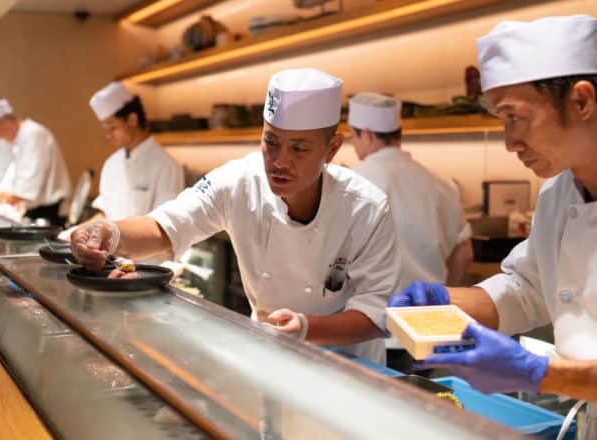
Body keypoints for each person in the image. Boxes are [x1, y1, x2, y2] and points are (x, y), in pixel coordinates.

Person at [71, 68, 401, 364]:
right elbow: (167, 225)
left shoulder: (367, 208)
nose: (279, 161)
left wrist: (306, 329)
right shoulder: (238, 181)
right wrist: (108, 233)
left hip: (350, 370)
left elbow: (375, 314)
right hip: (271, 355)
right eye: (270, 142)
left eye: (299, 148)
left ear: (331, 149)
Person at [387, 15, 597, 436]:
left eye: (515, 117)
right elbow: (526, 289)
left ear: (581, 101)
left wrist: (538, 374)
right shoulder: (559, 193)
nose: (509, 142)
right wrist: (445, 301)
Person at [348, 92, 473, 287]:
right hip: (429, 310)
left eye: (352, 136)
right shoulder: (443, 184)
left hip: (369, 311)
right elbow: (464, 254)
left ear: (366, 135)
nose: (353, 143)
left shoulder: (350, 183)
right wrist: (443, 295)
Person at [89, 82, 185, 222]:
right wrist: (76, 232)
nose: (108, 135)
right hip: (112, 242)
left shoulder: (166, 166)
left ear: (132, 119)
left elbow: (165, 225)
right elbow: (105, 214)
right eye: (105, 129)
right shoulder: (111, 163)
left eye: (113, 127)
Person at [0, 99, 72, 226]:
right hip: (35, 209)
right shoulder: (20, 139)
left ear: (3, 123)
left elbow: (29, 182)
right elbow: (11, 176)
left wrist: (0, 199)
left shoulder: (32, 134)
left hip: (49, 211)